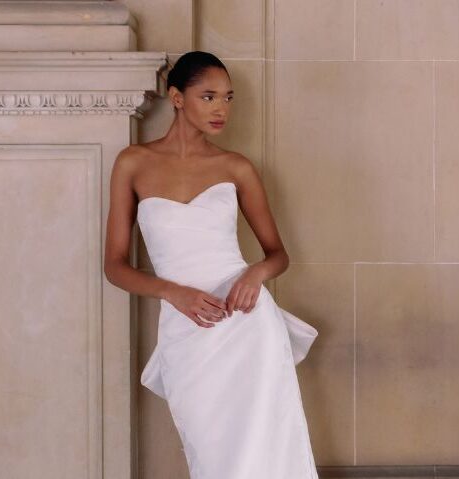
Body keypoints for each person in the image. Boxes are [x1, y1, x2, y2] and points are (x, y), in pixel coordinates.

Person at [103, 51, 320, 478]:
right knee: (210, 454)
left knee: (270, 448)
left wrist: (255, 273)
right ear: (177, 97)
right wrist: (171, 291)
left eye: (228, 97)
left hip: (248, 326)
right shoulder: (133, 163)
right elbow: (113, 265)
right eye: (208, 96)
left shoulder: (235, 167)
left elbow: (278, 254)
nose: (221, 108)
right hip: (189, 331)